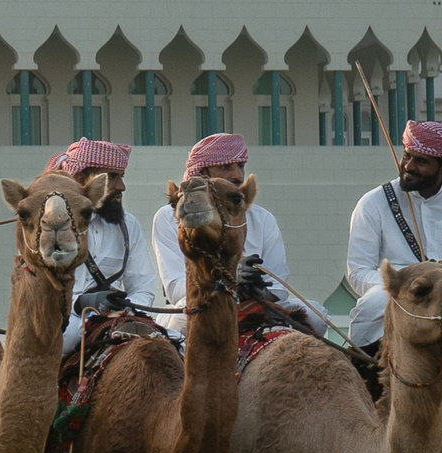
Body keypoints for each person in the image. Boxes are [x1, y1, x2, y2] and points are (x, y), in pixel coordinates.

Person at [343, 119, 442, 350]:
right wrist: (405, 287)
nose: (408, 166)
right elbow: (358, 271)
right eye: (407, 155)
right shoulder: (373, 203)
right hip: (396, 298)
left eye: (421, 161)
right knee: (370, 306)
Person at [150, 132, 303, 315]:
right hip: (201, 305)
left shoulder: (263, 218)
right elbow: (175, 288)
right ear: (202, 173)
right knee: (176, 325)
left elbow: (279, 284)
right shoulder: (170, 216)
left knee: (314, 315)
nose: (237, 175)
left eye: (240, 166)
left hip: (254, 304)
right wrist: (226, 279)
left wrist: (259, 290)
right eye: (225, 167)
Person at [49, 137, 161, 354]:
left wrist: (123, 306)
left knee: (173, 342)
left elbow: (143, 287)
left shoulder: (129, 225)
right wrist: (80, 303)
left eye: (121, 177)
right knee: (63, 341)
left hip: (120, 315)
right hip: (66, 320)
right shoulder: (53, 226)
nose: (122, 187)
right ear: (81, 178)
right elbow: (42, 292)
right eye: (111, 177)